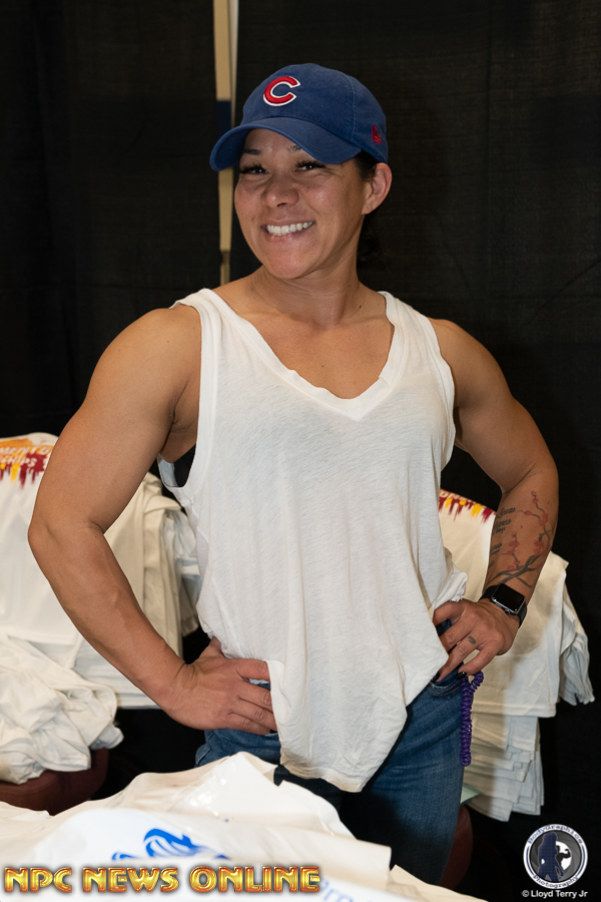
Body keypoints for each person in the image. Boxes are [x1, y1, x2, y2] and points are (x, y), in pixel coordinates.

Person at [29, 63, 558, 883]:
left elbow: (529, 470)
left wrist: (503, 605)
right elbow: (61, 523)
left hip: (419, 712)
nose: (276, 195)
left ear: (373, 185)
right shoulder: (178, 343)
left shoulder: (439, 351)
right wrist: (173, 683)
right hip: (261, 719)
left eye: (309, 165)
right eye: (254, 172)